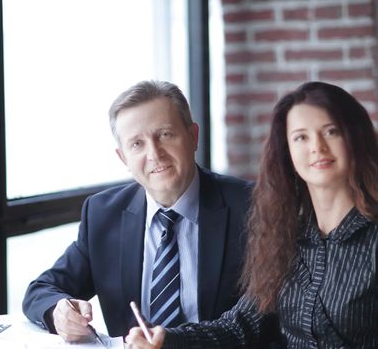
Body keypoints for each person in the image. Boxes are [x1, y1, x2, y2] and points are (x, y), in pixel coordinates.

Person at [125, 81, 378, 348]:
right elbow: (240, 326)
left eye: (331, 132)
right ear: (287, 151)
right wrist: (168, 339)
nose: (317, 147)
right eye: (301, 137)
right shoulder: (286, 235)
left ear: (354, 137)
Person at [22, 80, 253, 341]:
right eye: (137, 144)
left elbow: (261, 321)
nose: (154, 153)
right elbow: (41, 289)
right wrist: (58, 311)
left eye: (165, 134)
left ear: (193, 137)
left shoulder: (250, 207)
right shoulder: (103, 214)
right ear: (124, 159)